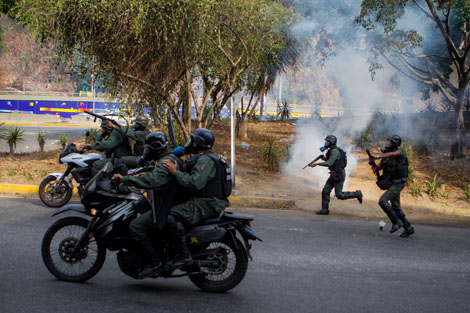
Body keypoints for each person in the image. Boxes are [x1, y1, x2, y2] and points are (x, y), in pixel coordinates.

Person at [112, 132, 183, 278]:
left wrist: (125, 180)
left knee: (135, 226)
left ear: (156, 149)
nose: (146, 152)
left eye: (149, 149)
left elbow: (152, 180)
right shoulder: (165, 159)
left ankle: (155, 262)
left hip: (166, 207)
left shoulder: (165, 163)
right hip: (167, 203)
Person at [162, 128, 230, 270]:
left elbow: (194, 183)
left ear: (197, 143)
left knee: (171, 216)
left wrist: (175, 173)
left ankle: (183, 255)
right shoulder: (205, 157)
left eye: (192, 141)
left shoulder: (205, 160)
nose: (189, 144)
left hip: (208, 202)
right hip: (208, 200)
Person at [371, 135, 414, 237]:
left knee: (383, 201)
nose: (387, 144)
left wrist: (377, 156)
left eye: (390, 142)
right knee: (396, 207)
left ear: (394, 144)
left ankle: (396, 222)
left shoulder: (400, 152)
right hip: (392, 182)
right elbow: (378, 168)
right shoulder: (386, 157)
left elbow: (393, 154)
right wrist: (373, 165)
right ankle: (408, 228)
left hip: (399, 182)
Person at [310, 134, 363, 215]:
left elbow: (329, 163)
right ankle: (325, 210)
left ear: (331, 142)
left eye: (327, 141)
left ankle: (357, 194)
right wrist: (323, 158)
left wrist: (317, 164)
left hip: (338, 174)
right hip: (334, 174)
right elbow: (332, 160)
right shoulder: (332, 150)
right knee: (325, 191)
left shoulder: (334, 151)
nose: (325, 143)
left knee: (339, 195)